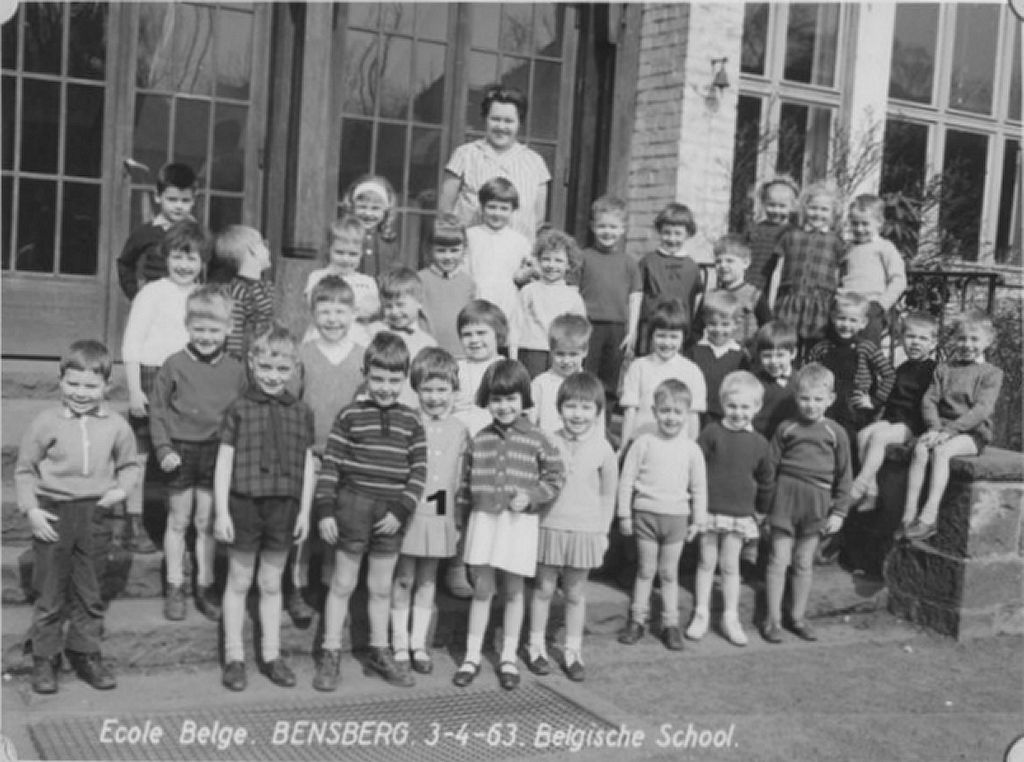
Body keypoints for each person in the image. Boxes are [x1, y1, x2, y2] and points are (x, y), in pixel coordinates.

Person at [16, 340, 140, 694]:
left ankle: (84, 652)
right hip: (53, 513)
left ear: (106, 386)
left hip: (95, 514)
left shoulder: (116, 425)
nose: (81, 393)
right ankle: (45, 657)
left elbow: (130, 465)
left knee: (89, 590)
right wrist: (32, 509)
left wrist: (121, 490)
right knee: (51, 591)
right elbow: (25, 470)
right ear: (60, 381)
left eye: (90, 386)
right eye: (73, 384)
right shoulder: (46, 422)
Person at [312, 332, 427, 691]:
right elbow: (331, 465)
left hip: (390, 515)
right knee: (343, 583)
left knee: (380, 588)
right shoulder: (350, 416)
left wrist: (401, 509)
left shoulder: (412, 421)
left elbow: (419, 473)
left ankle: (379, 651)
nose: (385, 388)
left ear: (405, 378)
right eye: (378, 379)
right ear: (365, 374)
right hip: (352, 508)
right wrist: (327, 510)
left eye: (394, 380)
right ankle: (330, 651)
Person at [214, 324, 316, 691]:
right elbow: (224, 461)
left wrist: (304, 511)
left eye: (282, 370)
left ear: (294, 370)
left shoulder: (302, 411)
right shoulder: (239, 408)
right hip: (244, 503)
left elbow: (307, 464)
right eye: (267, 368)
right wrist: (223, 512)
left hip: (283, 506)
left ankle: (272, 656)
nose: (274, 377)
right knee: (239, 580)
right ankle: (234, 657)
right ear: (253, 366)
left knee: (271, 582)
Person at [452, 360, 564, 690]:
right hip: (484, 521)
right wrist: (459, 518)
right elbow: (465, 480)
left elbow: (556, 476)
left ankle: (508, 657)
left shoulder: (537, 438)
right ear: (488, 401)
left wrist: (531, 496)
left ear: (524, 399)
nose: (504, 407)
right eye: (497, 399)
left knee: (514, 592)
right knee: (483, 589)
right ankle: (472, 656)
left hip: (518, 524)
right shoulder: (480, 438)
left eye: (511, 399)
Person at [149, 287, 246, 622]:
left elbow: (241, 414)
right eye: (199, 329)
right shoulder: (174, 364)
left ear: (228, 329)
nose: (206, 337)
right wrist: (163, 448)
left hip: (215, 454)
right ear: (187, 326)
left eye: (213, 330)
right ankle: (175, 584)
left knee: (205, 522)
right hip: (179, 452)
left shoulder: (236, 369)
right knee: (178, 521)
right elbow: (158, 411)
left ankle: (205, 585)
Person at [121, 220, 210, 554]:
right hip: (151, 374)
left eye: (192, 259)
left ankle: (177, 522)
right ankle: (133, 522)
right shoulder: (152, 292)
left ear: (202, 262)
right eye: (178, 257)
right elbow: (132, 341)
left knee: (181, 451)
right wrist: (133, 389)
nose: (184, 265)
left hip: (187, 379)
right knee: (143, 450)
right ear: (166, 257)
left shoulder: (203, 297)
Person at [527, 372, 617, 682]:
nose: (577, 415)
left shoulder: (605, 449)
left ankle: (572, 650)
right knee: (543, 589)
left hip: (585, 531)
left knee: (576, 592)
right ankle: (536, 646)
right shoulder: (547, 441)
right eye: (570, 407)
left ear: (597, 411)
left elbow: (608, 494)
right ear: (559, 408)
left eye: (585, 407)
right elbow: (536, 484)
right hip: (549, 526)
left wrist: (603, 532)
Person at [290, 275, 366, 628]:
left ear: (353, 314)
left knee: (338, 525)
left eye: (340, 311)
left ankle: (329, 585)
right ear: (313, 313)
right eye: (325, 311)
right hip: (309, 456)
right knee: (303, 523)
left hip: (347, 460)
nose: (333, 319)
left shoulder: (362, 359)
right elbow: (292, 402)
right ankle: (297, 584)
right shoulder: (303, 355)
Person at [391, 348, 469, 675]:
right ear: (416, 389)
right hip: (409, 511)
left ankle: (418, 645)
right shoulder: (408, 422)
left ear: (453, 391)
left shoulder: (459, 429)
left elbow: (455, 480)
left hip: (438, 515)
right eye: (428, 389)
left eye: (442, 390)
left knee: (427, 580)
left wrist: (451, 519)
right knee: (404, 578)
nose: (435, 397)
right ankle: (398, 644)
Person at [762, 363, 852, 644]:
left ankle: (798, 617)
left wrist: (839, 510)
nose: (810, 405)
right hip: (785, 498)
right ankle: (772, 619)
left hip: (817, 501)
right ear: (795, 396)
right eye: (804, 399)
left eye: (817, 399)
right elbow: (769, 469)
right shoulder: (786, 428)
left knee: (803, 562)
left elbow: (845, 475)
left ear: (830, 400)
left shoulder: (835, 433)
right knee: (778, 560)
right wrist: (764, 508)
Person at [617, 379, 707, 650]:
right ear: (655, 411)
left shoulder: (692, 449)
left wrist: (698, 519)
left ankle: (670, 623)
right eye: (665, 410)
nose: (671, 417)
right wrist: (624, 515)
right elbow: (627, 480)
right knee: (645, 570)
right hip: (646, 514)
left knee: (669, 573)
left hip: (676, 518)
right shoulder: (643, 442)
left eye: (677, 412)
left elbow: (699, 486)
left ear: (687, 414)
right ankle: (637, 620)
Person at [901, 312, 1003, 542]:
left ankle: (929, 516)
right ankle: (908, 515)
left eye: (974, 339)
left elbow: (981, 410)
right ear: (954, 340)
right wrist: (935, 427)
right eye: (962, 339)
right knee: (919, 449)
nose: (967, 345)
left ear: (988, 341)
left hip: (971, 434)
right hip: (942, 429)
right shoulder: (944, 369)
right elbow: (929, 399)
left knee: (941, 452)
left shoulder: (991, 374)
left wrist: (949, 432)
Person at [689, 372, 773, 646]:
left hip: (739, 514)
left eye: (745, 407)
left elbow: (766, 480)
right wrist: (694, 503)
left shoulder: (760, 443)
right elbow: (696, 466)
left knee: (730, 565)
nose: (738, 413)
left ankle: (730, 615)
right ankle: (700, 612)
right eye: (732, 406)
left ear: (756, 408)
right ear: (723, 404)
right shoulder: (712, 432)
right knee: (705, 562)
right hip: (711, 510)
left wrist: (761, 510)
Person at [448, 299, 510, 598]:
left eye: (481, 333)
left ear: (498, 336)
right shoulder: (454, 368)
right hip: (458, 453)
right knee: (456, 508)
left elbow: (517, 408)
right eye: (468, 334)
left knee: (487, 512)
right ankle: (454, 566)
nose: (474, 340)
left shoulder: (505, 369)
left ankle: (482, 568)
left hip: (492, 452)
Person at [851, 312, 938, 512]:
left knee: (879, 438)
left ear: (933, 343)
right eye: (910, 337)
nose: (915, 343)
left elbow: (931, 402)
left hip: (913, 424)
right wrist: (872, 403)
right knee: (864, 435)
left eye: (923, 338)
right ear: (901, 340)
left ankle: (859, 486)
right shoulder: (902, 368)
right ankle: (872, 492)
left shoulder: (932, 370)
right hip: (894, 418)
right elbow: (889, 398)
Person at [440, 84, 551, 240]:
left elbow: (538, 220)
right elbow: (445, 211)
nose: (501, 127)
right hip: (472, 252)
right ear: (485, 119)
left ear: (520, 123)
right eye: (495, 119)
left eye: (508, 121)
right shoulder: (465, 155)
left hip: (517, 255)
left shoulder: (535, 163)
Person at [807, 293, 896, 459]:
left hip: (854, 410)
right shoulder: (821, 349)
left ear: (863, 323)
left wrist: (875, 401)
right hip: (827, 406)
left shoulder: (866, 348)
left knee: (849, 445)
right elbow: (810, 377)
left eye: (853, 320)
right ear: (833, 318)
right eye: (842, 318)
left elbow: (889, 375)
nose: (846, 325)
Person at [577, 196, 642, 410]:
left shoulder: (629, 262)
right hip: (589, 326)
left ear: (623, 229)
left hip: (616, 329)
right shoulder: (583, 257)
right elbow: (573, 293)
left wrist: (631, 331)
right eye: (602, 226)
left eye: (613, 227)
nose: (607, 232)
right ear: (593, 226)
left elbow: (635, 298)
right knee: (586, 377)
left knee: (610, 381)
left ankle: (602, 428)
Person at [768, 181, 845, 360]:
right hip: (790, 302)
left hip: (820, 306)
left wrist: (836, 306)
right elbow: (777, 272)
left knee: (815, 354)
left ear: (833, 214)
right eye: (813, 208)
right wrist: (772, 301)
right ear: (804, 209)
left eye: (824, 210)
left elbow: (838, 277)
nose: (818, 214)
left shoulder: (836, 242)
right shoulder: (790, 236)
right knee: (786, 347)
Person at [619, 299, 706, 447]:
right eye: (661, 336)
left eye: (673, 337)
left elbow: (693, 416)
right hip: (642, 442)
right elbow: (630, 412)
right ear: (651, 335)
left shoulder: (692, 371)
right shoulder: (638, 367)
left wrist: (692, 449)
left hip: (677, 445)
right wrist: (624, 446)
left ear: (683, 338)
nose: (667, 343)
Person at [464, 177, 535, 355]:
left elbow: (525, 273)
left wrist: (526, 273)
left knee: (502, 349)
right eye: (492, 207)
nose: (497, 213)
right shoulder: (470, 236)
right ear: (481, 207)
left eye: (504, 208)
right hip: (477, 299)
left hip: (507, 303)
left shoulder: (520, 241)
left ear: (513, 211)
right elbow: (464, 271)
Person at [116, 162, 197, 300]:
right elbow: (125, 263)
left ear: (193, 200)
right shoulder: (145, 233)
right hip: (154, 300)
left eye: (185, 201)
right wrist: (136, 294)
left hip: (189, 302)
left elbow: (213, 265)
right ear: (158, 196)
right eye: (172, 199)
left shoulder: (198, 233)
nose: (178, 206)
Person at [518, 228, 586, 378]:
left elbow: (580, 331)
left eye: (558, 260)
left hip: (562, 353)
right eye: (546, 259)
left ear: (569, 264)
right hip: (532, 350)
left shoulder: (573, 296)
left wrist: (578, 361)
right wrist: (513, 354)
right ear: (538, 260)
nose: (551, 265)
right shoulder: (529, 291)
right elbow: (517, 323)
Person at [840, 194, 907, 346]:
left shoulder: (885, 247)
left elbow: (899, 279)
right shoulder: (848, 248)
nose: (859, 229)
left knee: (868, 349)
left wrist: (882, 304)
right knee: (842, 348)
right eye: (855, 224)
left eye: (865, 224)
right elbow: (841, 275)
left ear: (879, 223)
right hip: (846, 308)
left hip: (871, 308)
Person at [304, 213, 381, 345]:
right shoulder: (318, 277)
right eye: (339, 252)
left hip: (357, 340)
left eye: (353, 254)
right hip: (323, 337)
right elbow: (314, 303)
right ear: (329, 250)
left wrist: (372, 308)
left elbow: (373, 308)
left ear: (361, 254)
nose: (345, 259)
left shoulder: (367, 282)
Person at [366, 267, 437, 408]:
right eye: (388, 306)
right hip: (375, 404)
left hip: (410, 407)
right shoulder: (372, 331)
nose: (394, 312)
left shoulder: (427, 343)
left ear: (419, 303)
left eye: (400, 305)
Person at [637, 203, 703, 355]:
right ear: (659, 232)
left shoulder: (692, 266)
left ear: (687, 234)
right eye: (667, 233)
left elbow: (695, 300)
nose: (672, 239)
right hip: (652, 328)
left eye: (677, 234)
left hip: (678, 329)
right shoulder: (648, 262)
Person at [687, 291, 748, 429]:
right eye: (713, 324)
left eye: (725, 324)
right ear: (705, 322)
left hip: (726, 419)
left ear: (736, 324)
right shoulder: (694, 352)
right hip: (696, 416)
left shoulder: (740, 357)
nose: (718, 330)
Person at [418, 214, 476, 359]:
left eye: (454, 250)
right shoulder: (419, 280)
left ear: (464, 249)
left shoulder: (468, 283)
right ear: (429, 249)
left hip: (460, 354)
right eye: (441, 251)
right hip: (426, 354)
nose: (448, 257)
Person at [529, 313, 596, 435]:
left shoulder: (590, 385)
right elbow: (530, 422)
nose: (566, 361)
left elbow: (597, 425)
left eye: (573, 354)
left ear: (585, 351)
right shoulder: (540, 384)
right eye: (560, 354)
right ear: (551, 351)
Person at [699, 235, 771, 349]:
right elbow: (696, 329)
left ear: (745, 263)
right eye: (718, 261)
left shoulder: (754, 295)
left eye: (729, 261)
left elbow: (768, 328)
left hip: (744, 356)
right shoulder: (709, 296)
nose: (723, 265)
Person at [215, 225, 275, 361]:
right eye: (263, 245)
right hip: (250, 356)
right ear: (252, 250)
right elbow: (235, 334)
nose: (267, 250)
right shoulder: (238, 291)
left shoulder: (266, 286)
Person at [338, 175, 402, 277]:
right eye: (362, 207)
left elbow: (394, 274)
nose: (368, 214)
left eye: (375, 208)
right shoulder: (342, 237)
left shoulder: (388, 241)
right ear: (351, 207)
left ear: (385, 211)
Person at [744, 174, 799, 292]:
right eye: (771, 205)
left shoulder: (793, 232)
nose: (776, 210)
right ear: (763, 203)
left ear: (793, 207)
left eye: (782, 206)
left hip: (777, 286)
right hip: (752, 282)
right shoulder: (754, 230)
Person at [751, 321, 800, 440]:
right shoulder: (753, 382)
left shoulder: (801, 381)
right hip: (760, 440)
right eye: (767, 356)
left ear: (793, 353)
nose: (773, 361)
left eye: (780, 355)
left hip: (791, 440)